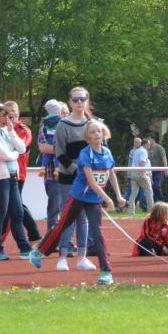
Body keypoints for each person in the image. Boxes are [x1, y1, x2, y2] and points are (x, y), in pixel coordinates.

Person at [30, 120, 125, 285]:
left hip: (94, 199)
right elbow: (91, 182)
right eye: (93, 132)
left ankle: (105, 271)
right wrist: (108, 199)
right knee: (62, 225)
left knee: (97, 233)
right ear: (88, 138)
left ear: (104, 133)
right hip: (78, 197)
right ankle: (39, 251)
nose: (97, 134)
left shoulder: (107, 153)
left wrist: (119, 195)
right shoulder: (85, 154)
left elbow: (111, 174)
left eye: (99, 131)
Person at [0, 101, 41, 252]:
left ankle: (24, 247)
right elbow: (4, 155)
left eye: (11, 113)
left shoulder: (13, 130)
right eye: (5, 114)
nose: (8, 117)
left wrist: (11, 132)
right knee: (1, 213)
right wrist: (14, 154)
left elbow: (21, 148)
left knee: (17, 212)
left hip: (14, 176)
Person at [52, 86, 98, 271]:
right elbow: (59, 152)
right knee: (68, 217)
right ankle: (63, 257)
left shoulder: (92, 124)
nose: (80, 102)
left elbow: (98, 150)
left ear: (87, 101)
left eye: (83, 99)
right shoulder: (63, 125)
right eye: (76, 99)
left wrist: (92, 172)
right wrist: (75, 170)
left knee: (83, 218)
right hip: (69, 179)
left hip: (88, 179)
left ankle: (82, 258)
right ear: (70, 102)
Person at [38, 99, 64, 233]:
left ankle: (66, 240)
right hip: (51, 174)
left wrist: (55, 148)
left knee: (69, 209)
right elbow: (43, 148)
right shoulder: (44, 126)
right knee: (54, 207)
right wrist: (62, 149)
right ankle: (52, 238)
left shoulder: (67, 126)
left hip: (70, 173)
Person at [128, 137, 154, 215]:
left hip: (133, 173)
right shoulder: (143, 151)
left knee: (133, 193)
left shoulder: (136, 151)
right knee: (149, 192)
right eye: (148, 144)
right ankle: (151, 211)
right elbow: (142, 161)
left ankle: (131, 211)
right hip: (141, 173)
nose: (149, 146)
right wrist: (143, 172)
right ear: (145, 144)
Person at [146, 136, 168, 202]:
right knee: (151, 187)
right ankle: (156, 202)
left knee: (156, 186)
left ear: (153, 139)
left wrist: (166, 169)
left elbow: (164, 158)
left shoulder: (159, 147)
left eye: (149, 139)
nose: (148, 141)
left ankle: (162, 200)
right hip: (150, 171)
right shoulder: (147, 148)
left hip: (159, 170)